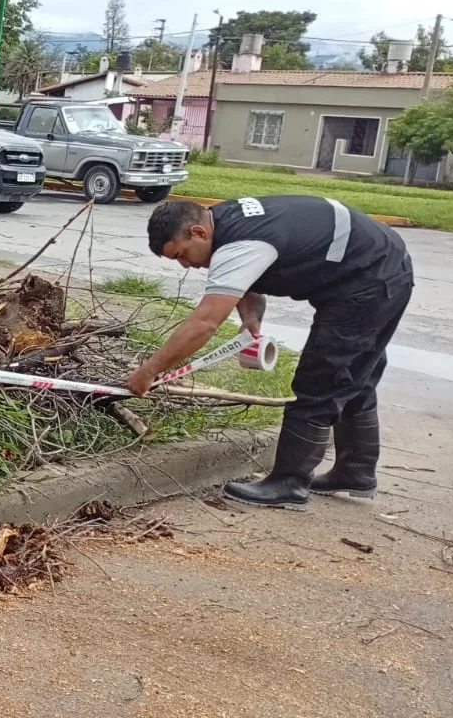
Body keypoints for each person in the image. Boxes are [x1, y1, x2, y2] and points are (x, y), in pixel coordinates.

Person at [128, 195, 413, 508]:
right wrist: (250, 318)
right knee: (354, 376)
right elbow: (247, 280)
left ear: (197, 232)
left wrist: (150, 370)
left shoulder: (240, 244)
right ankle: (355, 472)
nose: (186, 265)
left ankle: (289, 484)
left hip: (370, 280)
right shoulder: (224, 220)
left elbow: (205, 323)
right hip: (379, 264)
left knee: (323, 379)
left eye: (181, 255)